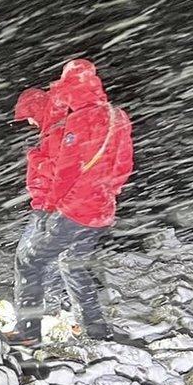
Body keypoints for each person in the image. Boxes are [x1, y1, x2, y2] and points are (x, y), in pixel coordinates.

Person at [12, 59, 134, 345]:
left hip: (75, 210)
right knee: (73, 264)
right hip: (101, 211)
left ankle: (29, 333)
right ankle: (96, 331)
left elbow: (65, 173)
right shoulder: (118, 115)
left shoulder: (81, 119)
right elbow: (124, 168)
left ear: (71, 91)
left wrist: (53, 207)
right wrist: (105, 193)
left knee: (29, 261)